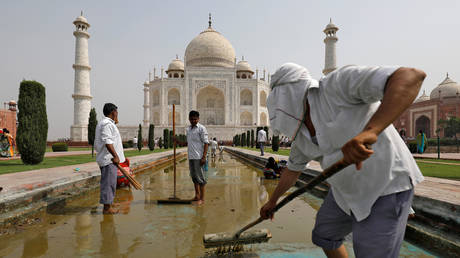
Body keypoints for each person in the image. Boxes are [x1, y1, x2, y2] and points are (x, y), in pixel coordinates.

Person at [260, 63, 426, 258]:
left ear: (288, 92)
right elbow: (292, 171)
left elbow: (411, 76)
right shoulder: (301, 133)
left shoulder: (336, 86)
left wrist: (370, 132)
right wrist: (272, 201)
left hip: (384, 186)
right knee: (324, 235)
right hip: (344, 193)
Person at [94, 103, 126, 214]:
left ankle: (109, 203)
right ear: (113, 112)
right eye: (116, 112)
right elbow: (108, 141)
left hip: (109, 159)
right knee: (108, 183)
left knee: (111, 182)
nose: (117, 114)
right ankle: (107, 208)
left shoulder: (107, 124)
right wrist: (116, 156)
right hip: (109, 159)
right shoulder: (106, 124)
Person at [186, 110, 209, 205]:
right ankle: (197, 195)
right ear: (189, 119)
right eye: (191, 119)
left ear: (198, 119)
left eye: (195, 119)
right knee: (194, 177)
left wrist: (204, 157)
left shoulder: (201, 128)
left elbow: (206, 143)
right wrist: (177, 141)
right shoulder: (188, 129)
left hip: (198, 157)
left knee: (200, 179)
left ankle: (202, 199)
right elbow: (188, 143)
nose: (193, 120)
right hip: (191, 156)